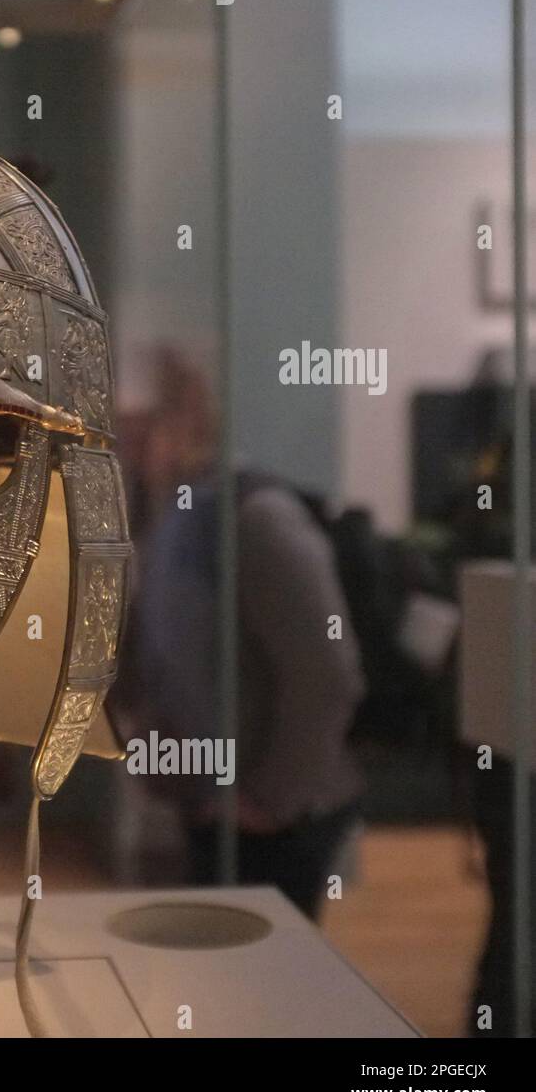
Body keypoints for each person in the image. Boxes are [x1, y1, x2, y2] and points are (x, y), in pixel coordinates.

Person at [127, 352, 365, 919]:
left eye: (131, 430)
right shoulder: (173, 514)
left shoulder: (253, 515)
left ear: (178, 421)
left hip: (274, 811)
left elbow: (328, 672)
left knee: (267, 983)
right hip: (219, 800)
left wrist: (271, 799)